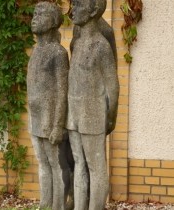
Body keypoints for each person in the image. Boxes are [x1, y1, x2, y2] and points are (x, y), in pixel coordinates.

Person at [66, 0, 119, 209]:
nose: (74, 9)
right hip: (75, 112)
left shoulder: (101, 45)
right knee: (79, 164)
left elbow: (112, 86)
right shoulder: (77, 43)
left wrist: (111, 116)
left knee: (96, 166)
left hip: (94, 112)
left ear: (94, 10)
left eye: (79, 5)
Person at [27, 2, 70, 210]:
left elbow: (63, 90)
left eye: (41, 14)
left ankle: (58, 206)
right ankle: (45, 205)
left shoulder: (58, 53)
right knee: (42, 164)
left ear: (54, 21)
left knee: (56, 165)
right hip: (35, 118)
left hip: (50, 119)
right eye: (35, 13)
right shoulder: (35, 51)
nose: (35, 17)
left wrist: (57, 124)